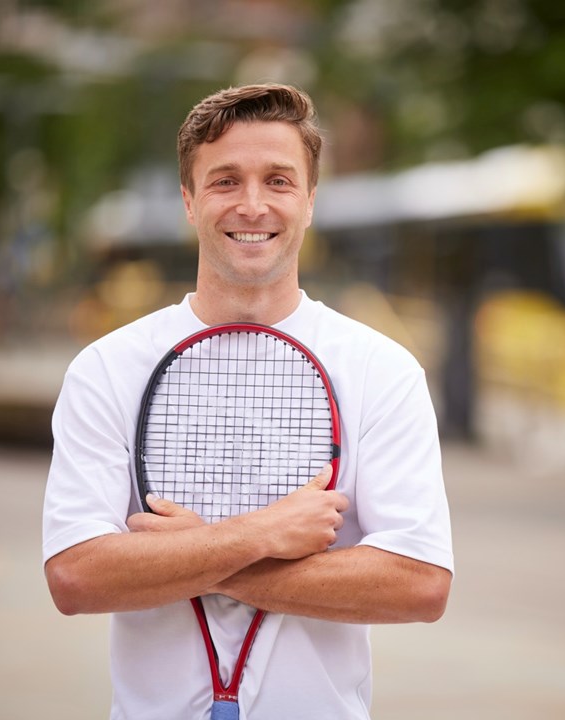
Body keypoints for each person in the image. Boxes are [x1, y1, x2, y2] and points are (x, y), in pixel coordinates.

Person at [42, 83, 454, 719]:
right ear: (189, 199)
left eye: (280, 181)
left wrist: (195, 553)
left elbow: (419, 585)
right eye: (225, 180)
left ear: (311, 200)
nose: (253, 204)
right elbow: (75, 577)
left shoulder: (383, 371)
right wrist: (263, 534)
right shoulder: (105, 369)